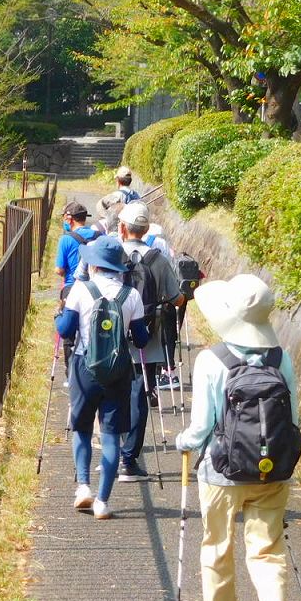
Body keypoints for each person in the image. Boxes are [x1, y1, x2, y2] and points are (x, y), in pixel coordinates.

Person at [174, 274, 299, 601]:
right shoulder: (283, 360)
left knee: (217, 547)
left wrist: (181, 442)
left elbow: (201, 427)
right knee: (266, 551)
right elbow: (292, 421)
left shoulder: (212, 360)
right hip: (272, 472)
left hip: (222, 472)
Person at [54, 235, 150, 520]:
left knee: (82, 429)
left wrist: (59, 317)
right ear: (119, 267)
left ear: (95, 266)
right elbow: (142, 340)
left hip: (85, 367)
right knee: (111, 437)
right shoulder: (131, 296)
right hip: (118, 372)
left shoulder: (81, 290)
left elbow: (66, 330)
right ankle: (103, 502)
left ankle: (83, 486)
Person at [117, 202, 185, 480]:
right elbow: (176, 298)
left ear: (122, 228)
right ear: (146, 230)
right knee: (139, 394)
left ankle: (112, 450)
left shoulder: (113, 253)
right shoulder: (158, 259)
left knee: (110, 392)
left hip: (113, 336)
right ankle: (128, 459)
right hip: (148, 338)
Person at [54, 201, 102, 300]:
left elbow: (59, 270)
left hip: (72, 287)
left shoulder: (65, 239)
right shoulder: (99, 235)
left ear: (69, 219)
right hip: (96, 288)